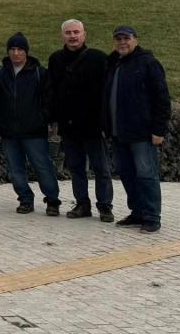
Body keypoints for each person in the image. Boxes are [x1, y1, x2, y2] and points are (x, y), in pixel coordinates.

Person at [103, 25, 170, 233]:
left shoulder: (148, 63)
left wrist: (159, 130)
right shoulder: (113, 62)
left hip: (141, 133)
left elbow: (162, 98)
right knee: (126, 173)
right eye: (118, 39)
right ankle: (138, 212)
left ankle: (152, 216)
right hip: (118, 131)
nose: (122, 42)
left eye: (126, 38)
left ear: (135, 40)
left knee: (146, 174)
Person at [49, 19, 113, 222]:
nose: (72, 36)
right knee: (76, 168)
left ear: (84, 35)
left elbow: (108, 92)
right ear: (62, 36)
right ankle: (82, 204)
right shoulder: (56, 59)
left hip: (93, 125)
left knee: (101, 168)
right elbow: (52, 91)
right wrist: (53, 119)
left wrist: (105, 122)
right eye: (68, 32)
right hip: (69, 126)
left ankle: (105, 206)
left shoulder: (98, 58)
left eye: (76, 32)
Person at [0, 33, 60, 216]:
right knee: (15, 169)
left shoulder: (39, 73)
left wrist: (41, 119)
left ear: (26, 52)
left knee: (43, 166)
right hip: (9, 132)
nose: (15, 53)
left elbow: (48, 100)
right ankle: (25, 199)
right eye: (12, 49)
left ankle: (52, 200)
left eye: (19, 49)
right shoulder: (0, 73)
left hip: (34, 131)